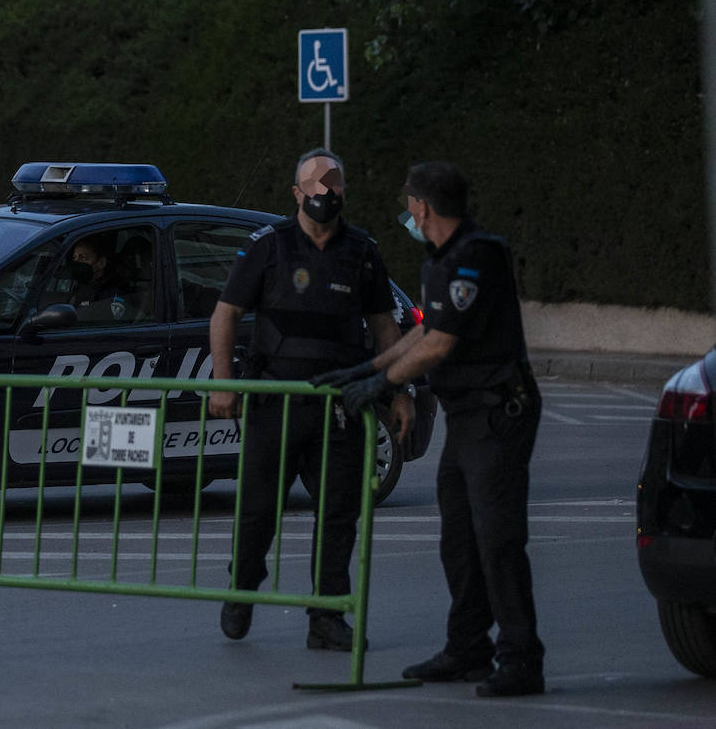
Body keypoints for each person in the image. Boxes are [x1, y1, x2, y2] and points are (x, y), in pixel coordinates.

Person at [313, 161, 544, 697]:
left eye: (409, 204)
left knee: (499, 540)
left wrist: (383, 384)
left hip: (497, 413)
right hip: (468, 416)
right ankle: (467, 648)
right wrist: (367, 370)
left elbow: (442, 345)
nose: (407, 214)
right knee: (459, 539)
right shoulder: (442, 258)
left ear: (423, 207)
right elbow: (425, 333)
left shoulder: (476, 256)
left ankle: (521, 657)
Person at [207, 148, 414, 651]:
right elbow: (225, 315)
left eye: (333, 184)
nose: (325, 193)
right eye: (315, 185)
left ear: (344, 190)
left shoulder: (362, 251)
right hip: (275, 405)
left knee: (339, 514)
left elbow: (385, 327)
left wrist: (399, 392)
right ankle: (242, 591)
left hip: (340, 409)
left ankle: (326, 617)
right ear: (297, 193)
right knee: (258, 510)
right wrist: (222, 381)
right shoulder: (268, 247)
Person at [68, 235, 129, 323]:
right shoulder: (80, 286)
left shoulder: (111, 294)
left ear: (101, 263)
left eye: (83, 257)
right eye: (75, 257)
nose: (77, 261)